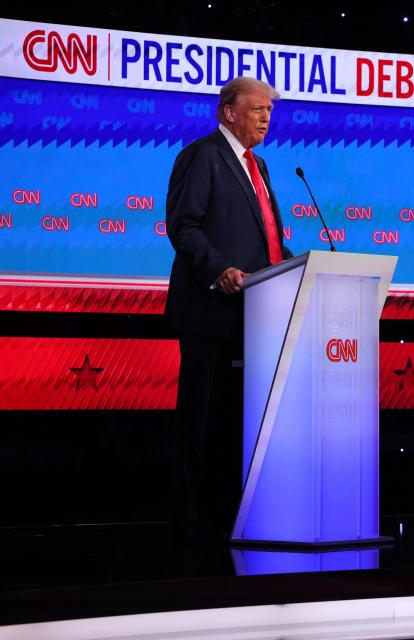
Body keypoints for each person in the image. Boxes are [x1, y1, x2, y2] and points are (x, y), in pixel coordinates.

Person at [165, 76, 293, 538]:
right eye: (258, 109)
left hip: (253, 315)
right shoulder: (203, 156)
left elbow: (266, 239)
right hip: (210, 311)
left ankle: (226, 513)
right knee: (199, 418)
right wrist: (219, 269)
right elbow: (183, 226)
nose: (266, 117)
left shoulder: (258, 166)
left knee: (231, 421)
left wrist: (292, 266)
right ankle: (186, 520)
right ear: (228, 113)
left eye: (270, 112)